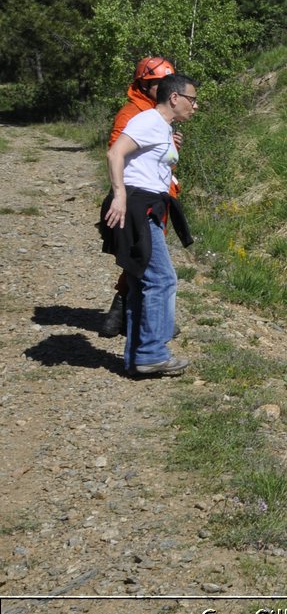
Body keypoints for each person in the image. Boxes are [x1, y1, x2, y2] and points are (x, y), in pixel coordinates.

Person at [101, 73, 198, 378]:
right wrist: (119, 195)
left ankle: (136, 358)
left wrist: (171, 148)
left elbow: (150, 164)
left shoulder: (162, 128)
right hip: (136, 207)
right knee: (162, 279)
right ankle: (153, 354)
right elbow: (115, 152)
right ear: (174, 98)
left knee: (142, 281)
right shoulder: (149, 121)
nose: (195, 106)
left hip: (145, 206)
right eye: (192, 100)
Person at [99, 56, 179, 338]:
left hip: (157, 195)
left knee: (144, 255)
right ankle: (139, 320)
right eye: (159, 83)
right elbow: (117, 151)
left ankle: (131, 318)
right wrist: (121, 193)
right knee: (146, 259)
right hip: (138, 197)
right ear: (144, 84)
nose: (166, 87)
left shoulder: (157, 112)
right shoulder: (133, 113)